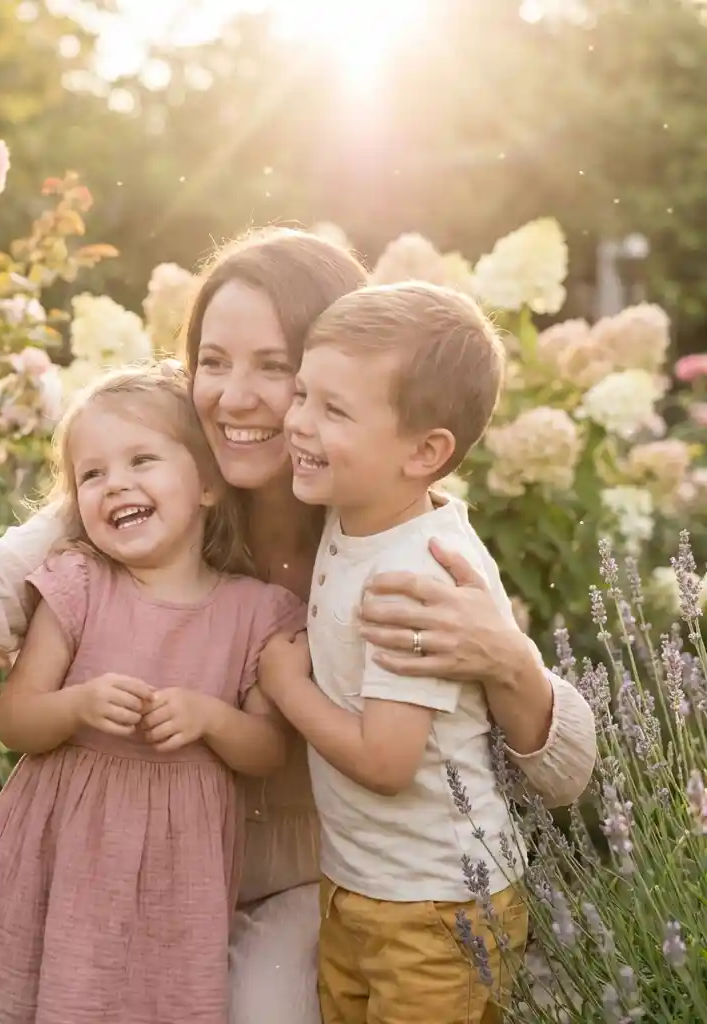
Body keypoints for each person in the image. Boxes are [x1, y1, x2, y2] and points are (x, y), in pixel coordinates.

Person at [0, 227, 598, 1024]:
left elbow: (563, 775)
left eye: (275, 368)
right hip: (138, 873)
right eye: (212, 361)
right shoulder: (157, 480)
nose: (233, 397)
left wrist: (511, 661)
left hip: (326, 889)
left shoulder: (390, 539)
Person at [0, 365, 304, 1024]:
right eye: (92, 474)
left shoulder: (254, 612)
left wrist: (210, 717)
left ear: (210, 483)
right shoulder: (80, 584)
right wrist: (75, 705)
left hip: (175, 876)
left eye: (142, 460)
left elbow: (269, 750)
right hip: (63, 856)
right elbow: (15, 721)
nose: (116, 485)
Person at [261, 282, 529, 1024]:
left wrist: (286, 687)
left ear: (425, 453)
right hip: (362, 882)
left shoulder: (414, 578)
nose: (299, 423)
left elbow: (386, 761)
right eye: (304, 393)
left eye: (334, 410)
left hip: (437, 906)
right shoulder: (359, 514)